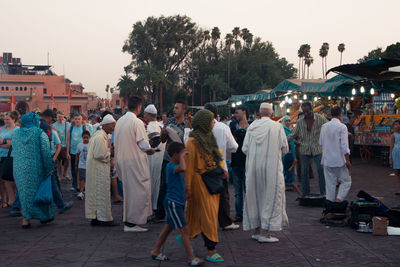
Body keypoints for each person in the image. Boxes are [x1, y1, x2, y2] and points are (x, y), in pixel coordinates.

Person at [242, 103, 289, 243]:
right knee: (271, 197)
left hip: (253, 168)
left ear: (259, 113)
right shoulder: (277, 127)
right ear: (271, 113)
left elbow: (244, 149)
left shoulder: (251, 127)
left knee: (255, 197)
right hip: (271, 168)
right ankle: (265, 233)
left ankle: (256, 230)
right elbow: (285, 148)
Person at [151, 142, 203, 266]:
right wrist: (182, 156)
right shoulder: (170, 166)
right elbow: (183, 168)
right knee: (184, 229)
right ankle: (191, 258)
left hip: (177, 201)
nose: (184, 157)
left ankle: (155, 251)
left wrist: (187, 190)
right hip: (173, 202)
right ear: (175, 155)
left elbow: (181, 179)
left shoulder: (175, 165)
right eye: (182, 154)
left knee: (168, 228)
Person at [185, 109, 225, 263]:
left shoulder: (208, 138)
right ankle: (211, 250)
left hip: (211, 180)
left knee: (198, 214)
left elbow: (216, 156)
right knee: (208, 216)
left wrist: (221, 170)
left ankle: (186, 236)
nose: (214, 123)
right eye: (211, 120)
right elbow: (188, 168)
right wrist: (187, 187)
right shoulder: (192, 143)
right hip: (199, 182)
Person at [114, 96, 154, 232]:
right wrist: (151, 149)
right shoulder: (136, 122)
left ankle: (130, 221)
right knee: (138, 191)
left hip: (122, 160)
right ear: (139, 107)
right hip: (134, 161)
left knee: (129, 192)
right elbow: (143, 144)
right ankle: (131, 223)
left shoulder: (119, 121)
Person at [12, 112, 54, 228]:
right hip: (36, 169)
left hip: (18, 169)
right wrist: (49, 169)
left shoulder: (15, 134)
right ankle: (44, 216)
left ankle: (26, 219)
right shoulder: (40, 133)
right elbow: (46, 153)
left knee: (24, 194)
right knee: (39, 192)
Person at [204, 103, 239, 231]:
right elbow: (234, 147)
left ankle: (206, 222)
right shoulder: (223, 128)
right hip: (220, 167)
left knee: (206, 196)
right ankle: (225, 222)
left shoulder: (198, 128)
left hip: (204, 167)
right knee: (223, 195)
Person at [155, 100, 188, 222]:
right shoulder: (169, 122)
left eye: (177, 108)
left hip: (182, 160)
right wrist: (163, 133)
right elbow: (163, 140)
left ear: (184, 110)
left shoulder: (187, 124)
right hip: (168, 158)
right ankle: (159, 213)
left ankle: (179, 211)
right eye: (174, 108)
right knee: (163, 185)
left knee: (181, 184)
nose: (174, 110)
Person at [288, 102, 328, 196]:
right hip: (304, 148)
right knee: (304, 171)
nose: (306, 114)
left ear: (311, 109)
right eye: (304, 112)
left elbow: (328, 127)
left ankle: (324, 192)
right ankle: (305, 193)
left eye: (308, 111)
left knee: (320, 169)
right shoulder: (300, 121)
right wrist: (282, 140)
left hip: (317, 148)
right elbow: (293, 134)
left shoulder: (320, 118)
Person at [85, 114, 118, 227]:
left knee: (95, 193)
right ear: (106, 125)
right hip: (98, 170)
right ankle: (104, 218)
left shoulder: (99, 135)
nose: (113, 129)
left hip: (96, 169)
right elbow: (100, 155)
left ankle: (96, 217)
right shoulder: (100, 137)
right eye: (112, 126)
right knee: (101, 193)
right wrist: (111, 153)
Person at [319, 107, 351, 202]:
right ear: (340, 114)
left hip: (327, 160)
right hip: (339, 160)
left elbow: (321, 142)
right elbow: (344, 146)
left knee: (330, 185)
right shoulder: (342, 127)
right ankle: (338, 200)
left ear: (330, 115)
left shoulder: (324, 126)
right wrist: (348, 161)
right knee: (346, 181)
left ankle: (330, 206)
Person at [229, 105, 249, 222]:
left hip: (247, 162)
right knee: (237, 192)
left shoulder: (251, 126)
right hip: (236, 161)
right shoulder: (232, 126)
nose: (235, 115)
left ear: (244, 112)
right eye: (235, 113)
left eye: (237, 112)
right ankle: (239, 214)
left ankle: (249, 213)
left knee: (248, 190)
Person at [143, 104, 164, 212]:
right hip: (159, 158)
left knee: (151, 183)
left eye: (145, 114)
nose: (144, 116)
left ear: (150, 115)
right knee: (157, 182)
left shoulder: (151, 126)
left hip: (152, 158)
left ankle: (152, 208)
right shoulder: (161, 126)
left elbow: (153, 142)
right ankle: (156, 207)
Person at [0, 112, 19, 208]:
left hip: (12, 156)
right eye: (5, 119)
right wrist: (7, 142)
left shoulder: (17, 130)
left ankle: (13, 198)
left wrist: (3, 141)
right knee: (3, 179)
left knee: (12, 179)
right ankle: (7, 200)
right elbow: (9, 143)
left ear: (14, 119)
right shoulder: (2, 129)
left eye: (8, 119)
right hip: (1, 156)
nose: (5, 121)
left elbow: (14, 144)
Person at [67, 113, 90, 191]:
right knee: (74, 169)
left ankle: (82, 185)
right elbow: (68, 140)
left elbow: (88, 135)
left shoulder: (83, 127)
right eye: (76, 119)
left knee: (82, 169)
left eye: (79, 119)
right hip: (73, 151)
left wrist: (85, 124)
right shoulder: (71, 128)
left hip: (82, 152)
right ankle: (74, 184)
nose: (77, 120)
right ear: (74, 120)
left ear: (81, 120)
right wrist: (67, 152)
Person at [282, 116, 301, 195]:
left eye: (289, 121)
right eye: (287, 121)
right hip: (286, 150)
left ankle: (291, 183)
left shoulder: (290, 130)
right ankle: (286, 184)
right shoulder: (282, 129)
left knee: (292, 165)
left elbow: (292, 138)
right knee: (286, 167)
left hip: (292, 149)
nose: (288, 122)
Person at [53, 111, 70, 181]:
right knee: (59, 161)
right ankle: (60, 174)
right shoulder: (54, 125)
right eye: (59, 117)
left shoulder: (67, 124)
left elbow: (69, 136)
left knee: (67, 159)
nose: (60, 118)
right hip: (58, 145)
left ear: (63, 117)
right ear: (56, 117)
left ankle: (65, 172)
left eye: (61, 117)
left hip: (65, 144)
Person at [76, 131, 90, 200]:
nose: (86, 139)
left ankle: (87, 192)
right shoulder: (79, 145)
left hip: (89, 165)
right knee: (81, 179)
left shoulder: (91, 145)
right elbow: (77, 155)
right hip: (81, 165)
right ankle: (81, 192)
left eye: (87, 138)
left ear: (89, 138)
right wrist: (76, 164)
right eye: (84, 138)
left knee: (88, 179)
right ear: (82, 138)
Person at [390, 120, 400, 195]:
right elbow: (391, 146)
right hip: (396, 153)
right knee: (397, 172)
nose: (395, 126)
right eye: (395, 125)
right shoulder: (393, 135)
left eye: (397, 124)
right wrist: (390, 157)